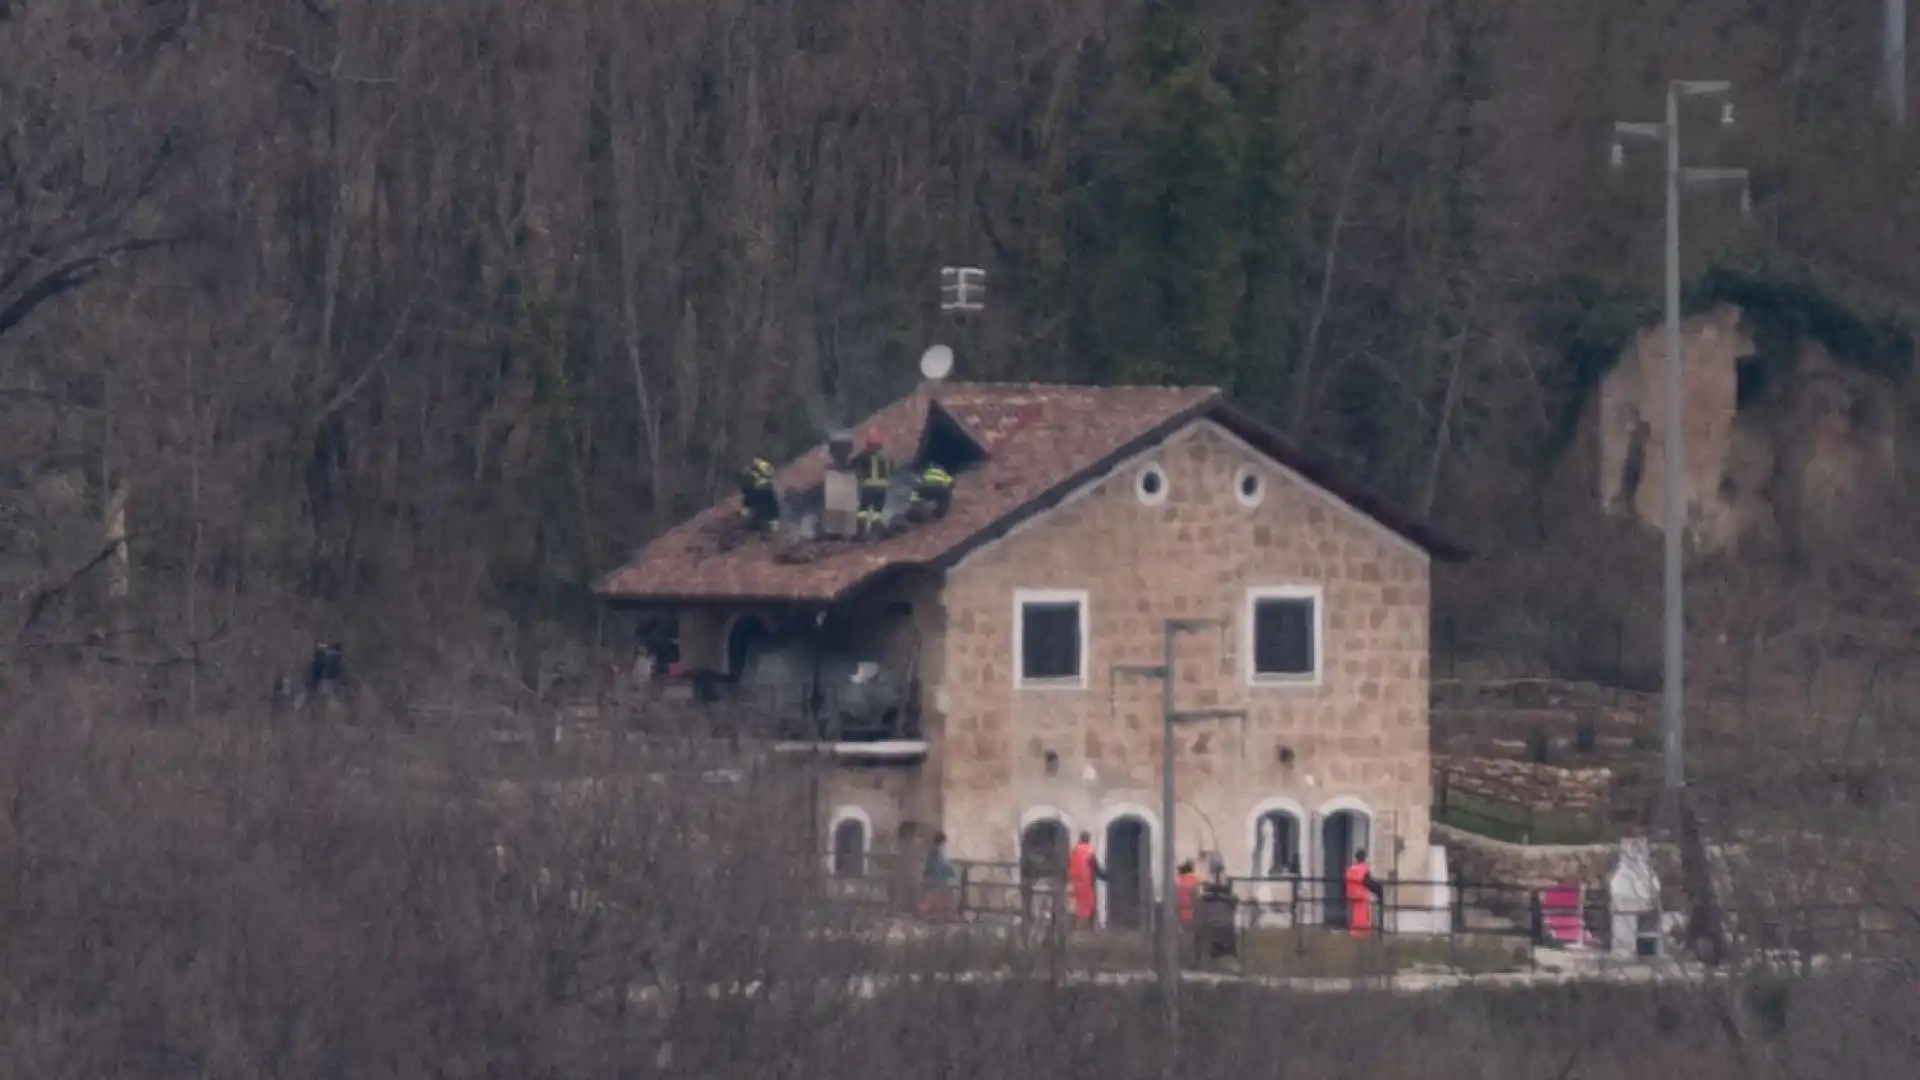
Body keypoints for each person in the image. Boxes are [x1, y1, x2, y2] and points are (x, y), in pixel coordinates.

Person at [850, 432, 890, 537]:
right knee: (878, 512)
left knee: (863, 511)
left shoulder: (864, 456)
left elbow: (853, 463)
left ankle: (861, 532)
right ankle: (876, 533)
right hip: (882, 488)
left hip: (868, 487)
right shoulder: (884, 457)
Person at [1066, 831, 1104, 929]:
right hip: (1086, 881)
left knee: (1076, 904)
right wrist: (1106, 876)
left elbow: (1068, 864)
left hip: (1074, 881)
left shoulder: (1074, 851)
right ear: (1088, 839)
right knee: (1088, 904)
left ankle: (1074, 924)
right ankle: (1087, 927)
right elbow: (1095, 867)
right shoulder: (1089, 851)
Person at [1345, 848, 1386, 938]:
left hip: (1351, 895)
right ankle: (1365, 933)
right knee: (1364, 915)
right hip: (1361, 895)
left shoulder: (1351, 869)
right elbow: (1368, 882)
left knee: (1354, 915)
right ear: (1364, 858)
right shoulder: (1363, 869)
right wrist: (1379, 891)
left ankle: (1354, 932)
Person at [920, 830, 959, 917]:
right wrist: (952, 874)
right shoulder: (937, 853)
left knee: (933, 898)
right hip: (937, 879)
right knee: (936, 898)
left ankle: (933, 912)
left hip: (935, 878)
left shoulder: (933, 852)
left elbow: (933, 866)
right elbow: (942, 866)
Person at [736, 457, 779, 532]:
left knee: (767, 505)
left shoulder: (760, 468)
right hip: (759, 491)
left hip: (760, 491)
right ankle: (757, 520)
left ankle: (767, 523)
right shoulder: (755, 472)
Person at [1175, 860, 1200, 926]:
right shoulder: (1193, 880)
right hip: (1189, 911)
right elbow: (1195, 897)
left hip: (1179, 911)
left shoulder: (1177, 880)